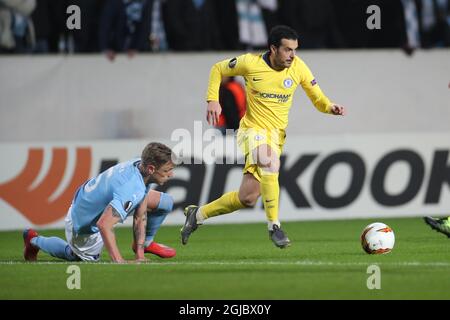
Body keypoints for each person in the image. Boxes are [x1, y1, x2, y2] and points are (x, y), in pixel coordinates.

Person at [180, 25, 346, 248]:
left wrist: (330, 107)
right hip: (251, 130)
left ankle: (197, 214)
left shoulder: (298, 68)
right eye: (287, 50)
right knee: (270, 161)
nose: (292, 55)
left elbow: (318, 99)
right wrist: (212, 99)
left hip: (276, 137)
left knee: (247, 198)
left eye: (295, 50)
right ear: (273, 48)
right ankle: (274, 226)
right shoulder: (251, 63)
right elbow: (217, 68)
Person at [23, 142, 176, 263]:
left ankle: (146, 244)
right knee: (74, 256)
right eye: (166, 170)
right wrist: (119, 260)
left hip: (90, 200)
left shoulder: (140, 165)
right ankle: (34, 240)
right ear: (151, 169)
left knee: (165, 202)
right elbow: (104, 224)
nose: (171, 174)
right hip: (82, 222)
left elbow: (140, 216)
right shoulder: (131, 188)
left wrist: (140, 254)